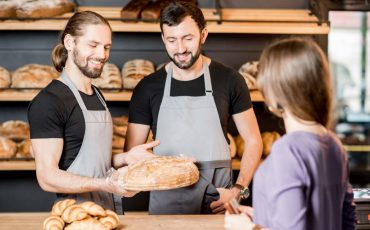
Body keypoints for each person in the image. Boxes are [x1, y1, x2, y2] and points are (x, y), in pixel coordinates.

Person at [124, 2, 263, 215]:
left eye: (187, 38)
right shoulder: (147, 87)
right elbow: (131, 154)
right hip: (167, 200)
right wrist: (164, 166)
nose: (180, 49)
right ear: (163, 38)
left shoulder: (229, 80)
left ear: (203, 34)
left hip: (220, 199)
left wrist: (238, 190)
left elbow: (254, 141)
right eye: (171, 40)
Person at [28, 11, 159, 213]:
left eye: (106, 47)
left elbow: (92, 162)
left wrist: (125, 158)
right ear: (70, 43)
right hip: (75, 215)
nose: (102, 54)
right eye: (93, 45)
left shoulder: (96, 94)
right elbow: (47, 177)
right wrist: (106, 184)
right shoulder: (49, 102)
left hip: (109, 212)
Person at [224, 37, 357, 229]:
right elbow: (346, 221)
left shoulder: (288, 152)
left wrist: (246, 228)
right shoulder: (334, 144)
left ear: (276, 96)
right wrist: (262, 217)